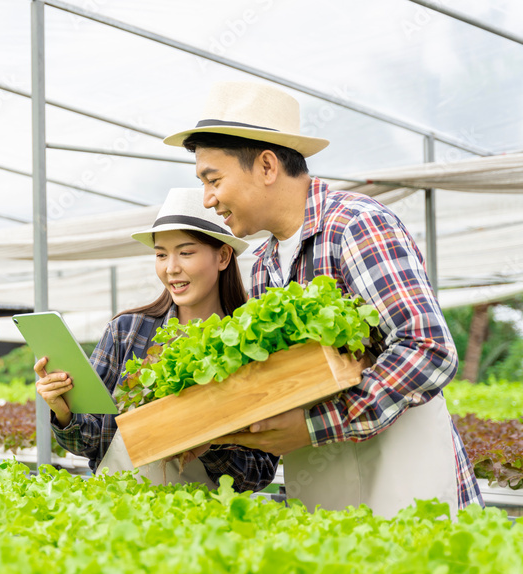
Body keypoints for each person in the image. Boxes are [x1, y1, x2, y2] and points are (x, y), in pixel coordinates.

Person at [164, 80, 482, 515]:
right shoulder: (263, 267)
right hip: (325, 481)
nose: (208, 199)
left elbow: (428, 349)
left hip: (404, 467)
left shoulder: (355, 226)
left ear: (267, 166)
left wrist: (316, 426)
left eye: (213, 179)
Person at [34, 188, 278, 492]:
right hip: (117, 512)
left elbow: (259, 472)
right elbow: (90, 442)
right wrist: (63, 411)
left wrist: (207, 442)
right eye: (161, 254)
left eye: (186, 252)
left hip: (206, 526)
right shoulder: (127, 330)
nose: (171, 267)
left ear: (224, 256)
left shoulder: (253, 344)